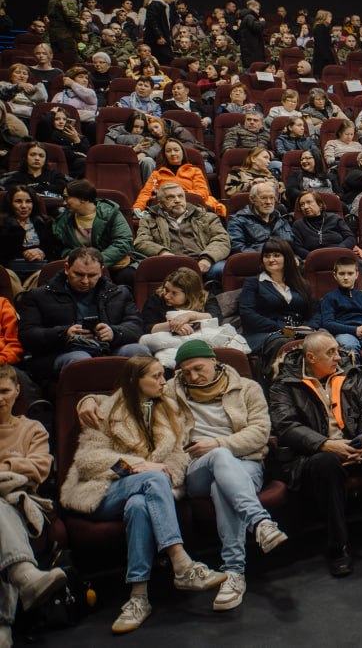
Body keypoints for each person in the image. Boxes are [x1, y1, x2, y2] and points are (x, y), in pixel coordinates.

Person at [75, 341, 286, 612]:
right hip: (197, 467)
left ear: (214, 360)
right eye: (184, 372)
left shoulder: (247, 387)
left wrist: (219, 442)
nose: (193, 377)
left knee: (222, 481)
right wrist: (87, 399)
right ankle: (259, 523)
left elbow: (259, 432)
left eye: (198, 369)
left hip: (245, 462)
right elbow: (129, 394)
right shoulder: (173, 389)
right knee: (218, 459)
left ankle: (233, 572)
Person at [60, 355, 227, 633]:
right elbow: (89, 460)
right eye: (157, 376)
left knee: (139, 505)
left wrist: (161, 474)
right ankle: (181, 561)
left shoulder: (171, 410)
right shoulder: (106, 410)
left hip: (150, 490)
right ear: (135, 381)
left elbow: (177, 457)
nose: (164, 382)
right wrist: (137, 467)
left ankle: (138, 596)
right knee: (151, 479)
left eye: (164, 375)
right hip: (103, 491)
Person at [269, 332, 362, 577]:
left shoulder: (348, 373)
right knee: (326, 463)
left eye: (338, 351)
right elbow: (287, 427)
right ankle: (338, 546)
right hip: (314, 454)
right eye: (330, 353)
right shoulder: (284, 384)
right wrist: (327, 445)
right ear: (310, 357)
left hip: (354, 445)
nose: (338, 357)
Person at [0, 363, 68, 644]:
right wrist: (14, 471)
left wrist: (4, 468)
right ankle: (25, 577)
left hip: (25, 505)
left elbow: (40, 467)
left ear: (17, 391)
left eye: (4, 391)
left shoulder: (32, 428)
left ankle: (3, 626)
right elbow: (26, 469)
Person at [17, 246, 148, 385]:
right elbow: (27, 335)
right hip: (62, 352)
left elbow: (136, 326)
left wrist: (114, 332)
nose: (85, 281)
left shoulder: (119, 293)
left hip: (109, 348)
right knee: (81, 360)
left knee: (139, 351)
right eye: (78, 274)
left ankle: (138, 403)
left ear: (101, 270)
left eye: (91, 275)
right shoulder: (38, 296)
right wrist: (64, 333)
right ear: (67, 268)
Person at [133, 182, 231, 278]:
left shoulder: (206, 217)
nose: (177, 200)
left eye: (180, 196)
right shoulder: (149, 220)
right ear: (160, 204)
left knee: (225, 269)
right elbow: (141, 242)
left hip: (204, 263)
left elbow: (221, 239)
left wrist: (208, 258)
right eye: (170, 197)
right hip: (170, 265)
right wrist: (163, 253)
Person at [238, 240, 315, 354]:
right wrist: (282, 328)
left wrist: (307, 327)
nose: (271, 259)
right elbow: (247, 314)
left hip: (299, 332)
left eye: (276, 255)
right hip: (263, 334)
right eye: (266, 256)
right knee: (284, 342)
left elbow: (315, 311)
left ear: (287, 258)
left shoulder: (301, 283)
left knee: (323, 339)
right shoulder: (253, 283)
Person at [321, 256, 362, 353]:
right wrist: (355, 330)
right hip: (343, 334)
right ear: (335, 275)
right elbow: (328, 323)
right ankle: (354, 369)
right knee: (350, 345)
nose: (346, 277)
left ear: (357, 274)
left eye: (350, 273)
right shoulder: (330, 297)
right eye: (341, 273)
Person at [228, 182, 294, 253]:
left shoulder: (282, 220)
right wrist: (264, 257)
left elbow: (292, 245)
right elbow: (237, 247)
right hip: (254, 261)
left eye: (271, 198)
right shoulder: (238, 221)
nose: (268, 202)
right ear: (252, 199)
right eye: (263, 198)